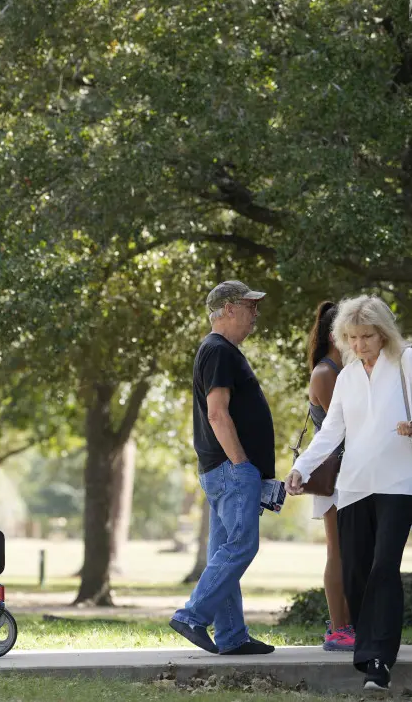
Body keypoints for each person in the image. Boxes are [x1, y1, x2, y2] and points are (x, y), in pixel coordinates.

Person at [286, 295, 412, 692]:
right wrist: (300, 468)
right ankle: (368, 650)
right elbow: (332, 431)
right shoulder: (349, 376)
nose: (359, 345)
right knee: (355, 572)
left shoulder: (406, 360)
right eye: (351, 338)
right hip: (352, 487)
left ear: (382, 332)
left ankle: (379, 662)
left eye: (366, 336)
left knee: (384, 567)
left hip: (398, 485)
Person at [169, 281, 276, 656]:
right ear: (229, 309)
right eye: (250, 307)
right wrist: (243, 465)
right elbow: (217, 413)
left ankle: (231, 636)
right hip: (232, 471)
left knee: (224, 551)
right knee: (241, 546)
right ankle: (192, 615)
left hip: (223, 471)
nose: (255, 315)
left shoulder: (219, 350)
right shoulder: (218, 351)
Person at [305, 301, 354, 652]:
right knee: (337, 550)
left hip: (349, 471)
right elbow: (347, 425)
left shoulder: (341, 369)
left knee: (350, 550)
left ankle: (348, 622)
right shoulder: (326, 373)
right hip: (334, 474)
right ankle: (339, 629)